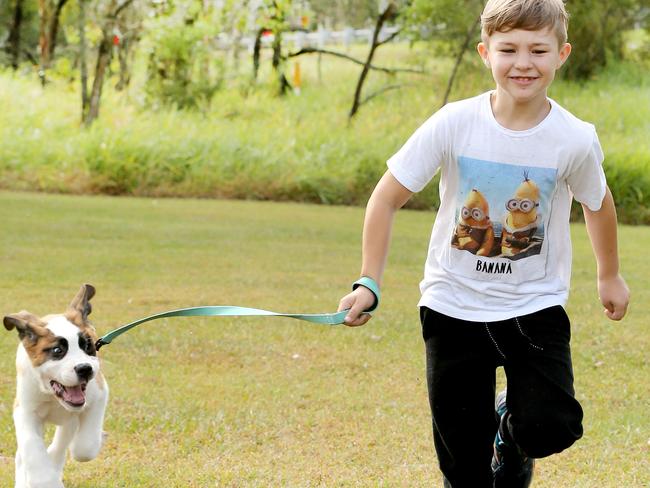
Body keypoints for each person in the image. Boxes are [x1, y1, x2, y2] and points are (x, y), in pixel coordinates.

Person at [337, 0, 630, 487]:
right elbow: (386, 198)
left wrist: (608, 275)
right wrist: (368, 280)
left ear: (562, 54)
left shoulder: (573, 139)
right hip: (452, 306)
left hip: (533, 306)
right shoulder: (454, 122)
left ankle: (510, 433)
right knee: (462, 464)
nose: (523, 63)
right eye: (508, 49)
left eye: (538, 49)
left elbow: (597, 203)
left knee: (549, 425)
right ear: (484, 52)